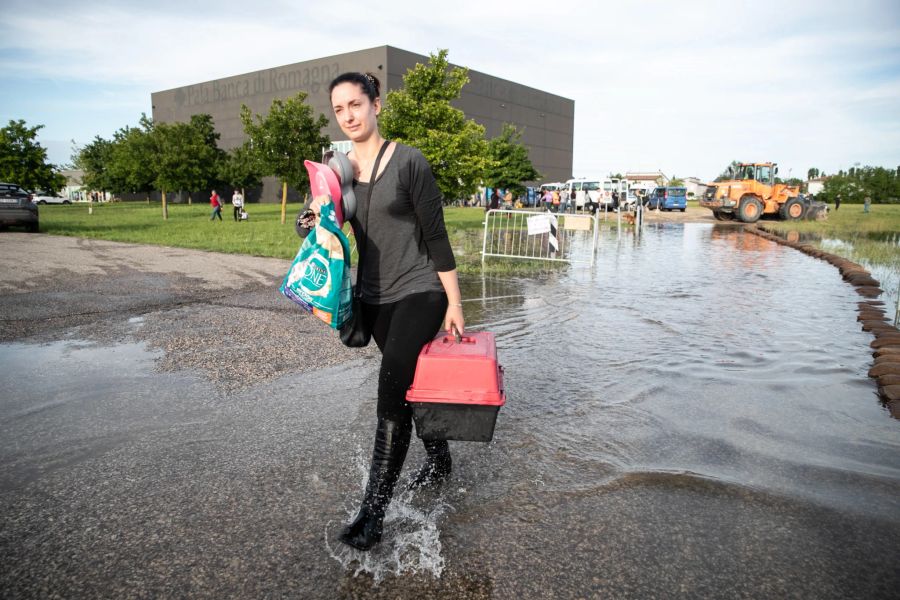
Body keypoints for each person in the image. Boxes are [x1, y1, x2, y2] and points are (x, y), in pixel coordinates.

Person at [296, 72, 464, 552]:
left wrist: (454, 301)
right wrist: (311, 214)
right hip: (373, 298)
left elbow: (436, 235)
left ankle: (372, 516)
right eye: (339, 109)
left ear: (376, 104)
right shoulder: (336, 169)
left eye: (356, 104)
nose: (349, 116)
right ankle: (440, 458)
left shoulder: (411, 162)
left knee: (390, 394)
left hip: (419, 291)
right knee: (409, 388)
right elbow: (313, 229)